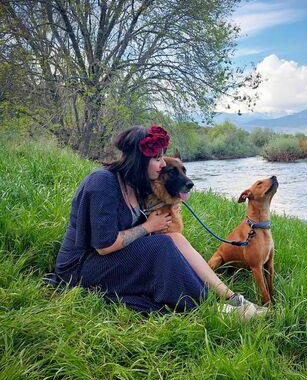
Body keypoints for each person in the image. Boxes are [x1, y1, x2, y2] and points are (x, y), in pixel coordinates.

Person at [49, 125, 267, 318]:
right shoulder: (102, 184)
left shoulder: (136, 185)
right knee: (162, 245)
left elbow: (162, 198)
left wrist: (173, 203)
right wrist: (147, 227)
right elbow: (104, 246)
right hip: (81, 268)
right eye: (156, 158)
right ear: (139, 160)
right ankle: (208, 307)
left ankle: (230, 297)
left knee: (174, 238)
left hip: (108, 259)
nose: (162, 164)